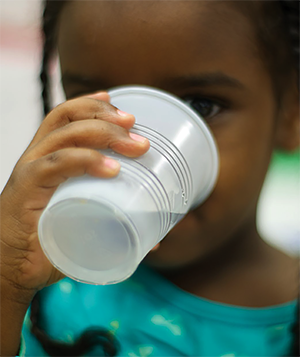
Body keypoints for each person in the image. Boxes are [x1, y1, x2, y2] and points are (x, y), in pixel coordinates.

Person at [0, 0, 300, 356]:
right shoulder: (33, 282)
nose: (136, 148)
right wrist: (6, 281)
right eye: (96, 103)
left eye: (200, 106)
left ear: (291, 114)